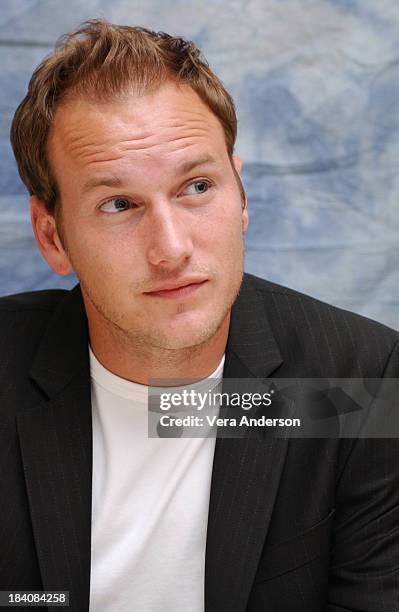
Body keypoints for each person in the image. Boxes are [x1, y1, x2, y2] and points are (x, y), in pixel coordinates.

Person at [2, 18, 398, 612]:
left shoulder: (361, 380)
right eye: (118, 204)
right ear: (52, 237)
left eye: (196, 188)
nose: (172, 249)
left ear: (241, 197)